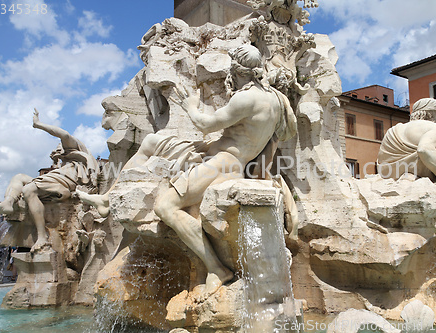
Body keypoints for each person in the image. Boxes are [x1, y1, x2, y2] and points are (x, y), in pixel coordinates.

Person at [77, 44, 298, 298]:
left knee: (166, 207)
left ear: (236, 71)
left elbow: (204, 124)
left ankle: (217, 268)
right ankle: (106, 199)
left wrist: (190, 104)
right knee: (150, 142)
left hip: (225, 163)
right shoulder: (276, 99)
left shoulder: (246, 98)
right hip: (213, 151)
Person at [0, 109, 99, 253]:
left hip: (64, 185)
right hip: (53, 182)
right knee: (19, 177)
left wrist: (38, 124)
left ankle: (42, 237)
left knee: (28, 189)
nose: (55, 151)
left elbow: (64, 134)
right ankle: (8, 203)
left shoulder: (74, 152)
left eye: (58, 148)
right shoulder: (64, 164)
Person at [377, 98, 436, 206]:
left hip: (388, 175)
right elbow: (424, 149)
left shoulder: (393, 130)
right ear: (432, 113)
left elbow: (382, 160)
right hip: (416, 176)